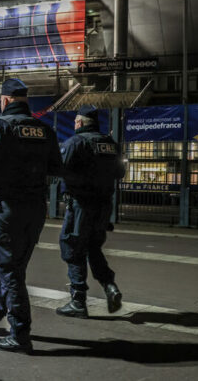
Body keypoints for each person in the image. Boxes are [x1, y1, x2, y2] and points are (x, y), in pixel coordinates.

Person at [0, 78, 63, 353]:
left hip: (7, 208)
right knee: (16, 267)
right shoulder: (44, 130)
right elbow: (56, 169)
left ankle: (20, 332)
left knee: (11, 271)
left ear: (5, 101)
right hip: (35, 208)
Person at [55, 105, 125, 319]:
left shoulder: (76, 142)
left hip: (81, 205)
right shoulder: (110, 144)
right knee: (93, 248)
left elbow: (59, 168)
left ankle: (78, 301)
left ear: (79, 122)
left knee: (73, 248)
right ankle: (109, 286)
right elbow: (120, 172)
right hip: (104, 205)